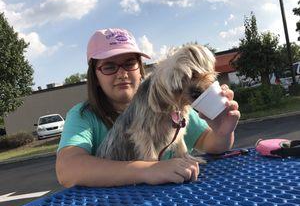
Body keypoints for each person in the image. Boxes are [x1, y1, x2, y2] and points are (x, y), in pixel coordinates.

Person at [56, 28, 240, 188]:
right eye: (109, 67)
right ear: (95, 77)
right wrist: (148, 170)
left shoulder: (175, 102)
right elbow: (67, 170)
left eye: (129, 63)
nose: (122, 73)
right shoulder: (83, 116)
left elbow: (214, 145)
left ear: (140, 69)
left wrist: (222, 131)